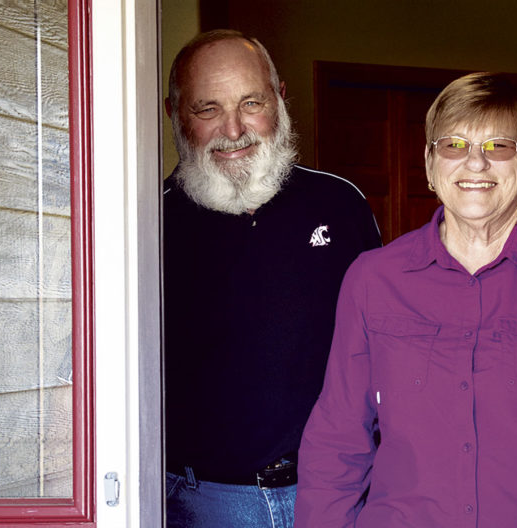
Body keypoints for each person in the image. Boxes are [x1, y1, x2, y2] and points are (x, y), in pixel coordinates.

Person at [295, 72, 517, 527]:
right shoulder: (372, 280)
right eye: (454, 146)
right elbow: (336, 441)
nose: (475, 164)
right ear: (430, 164)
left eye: (499, 147)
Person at [162, 30, 381, 528]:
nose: (234, 129)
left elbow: (383, 344)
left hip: (340, 492)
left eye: (251, 103)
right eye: (207, 109)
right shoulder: (147, 228)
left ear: (280, 99)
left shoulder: (341, 203)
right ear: (174, 114)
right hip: (203, 503)